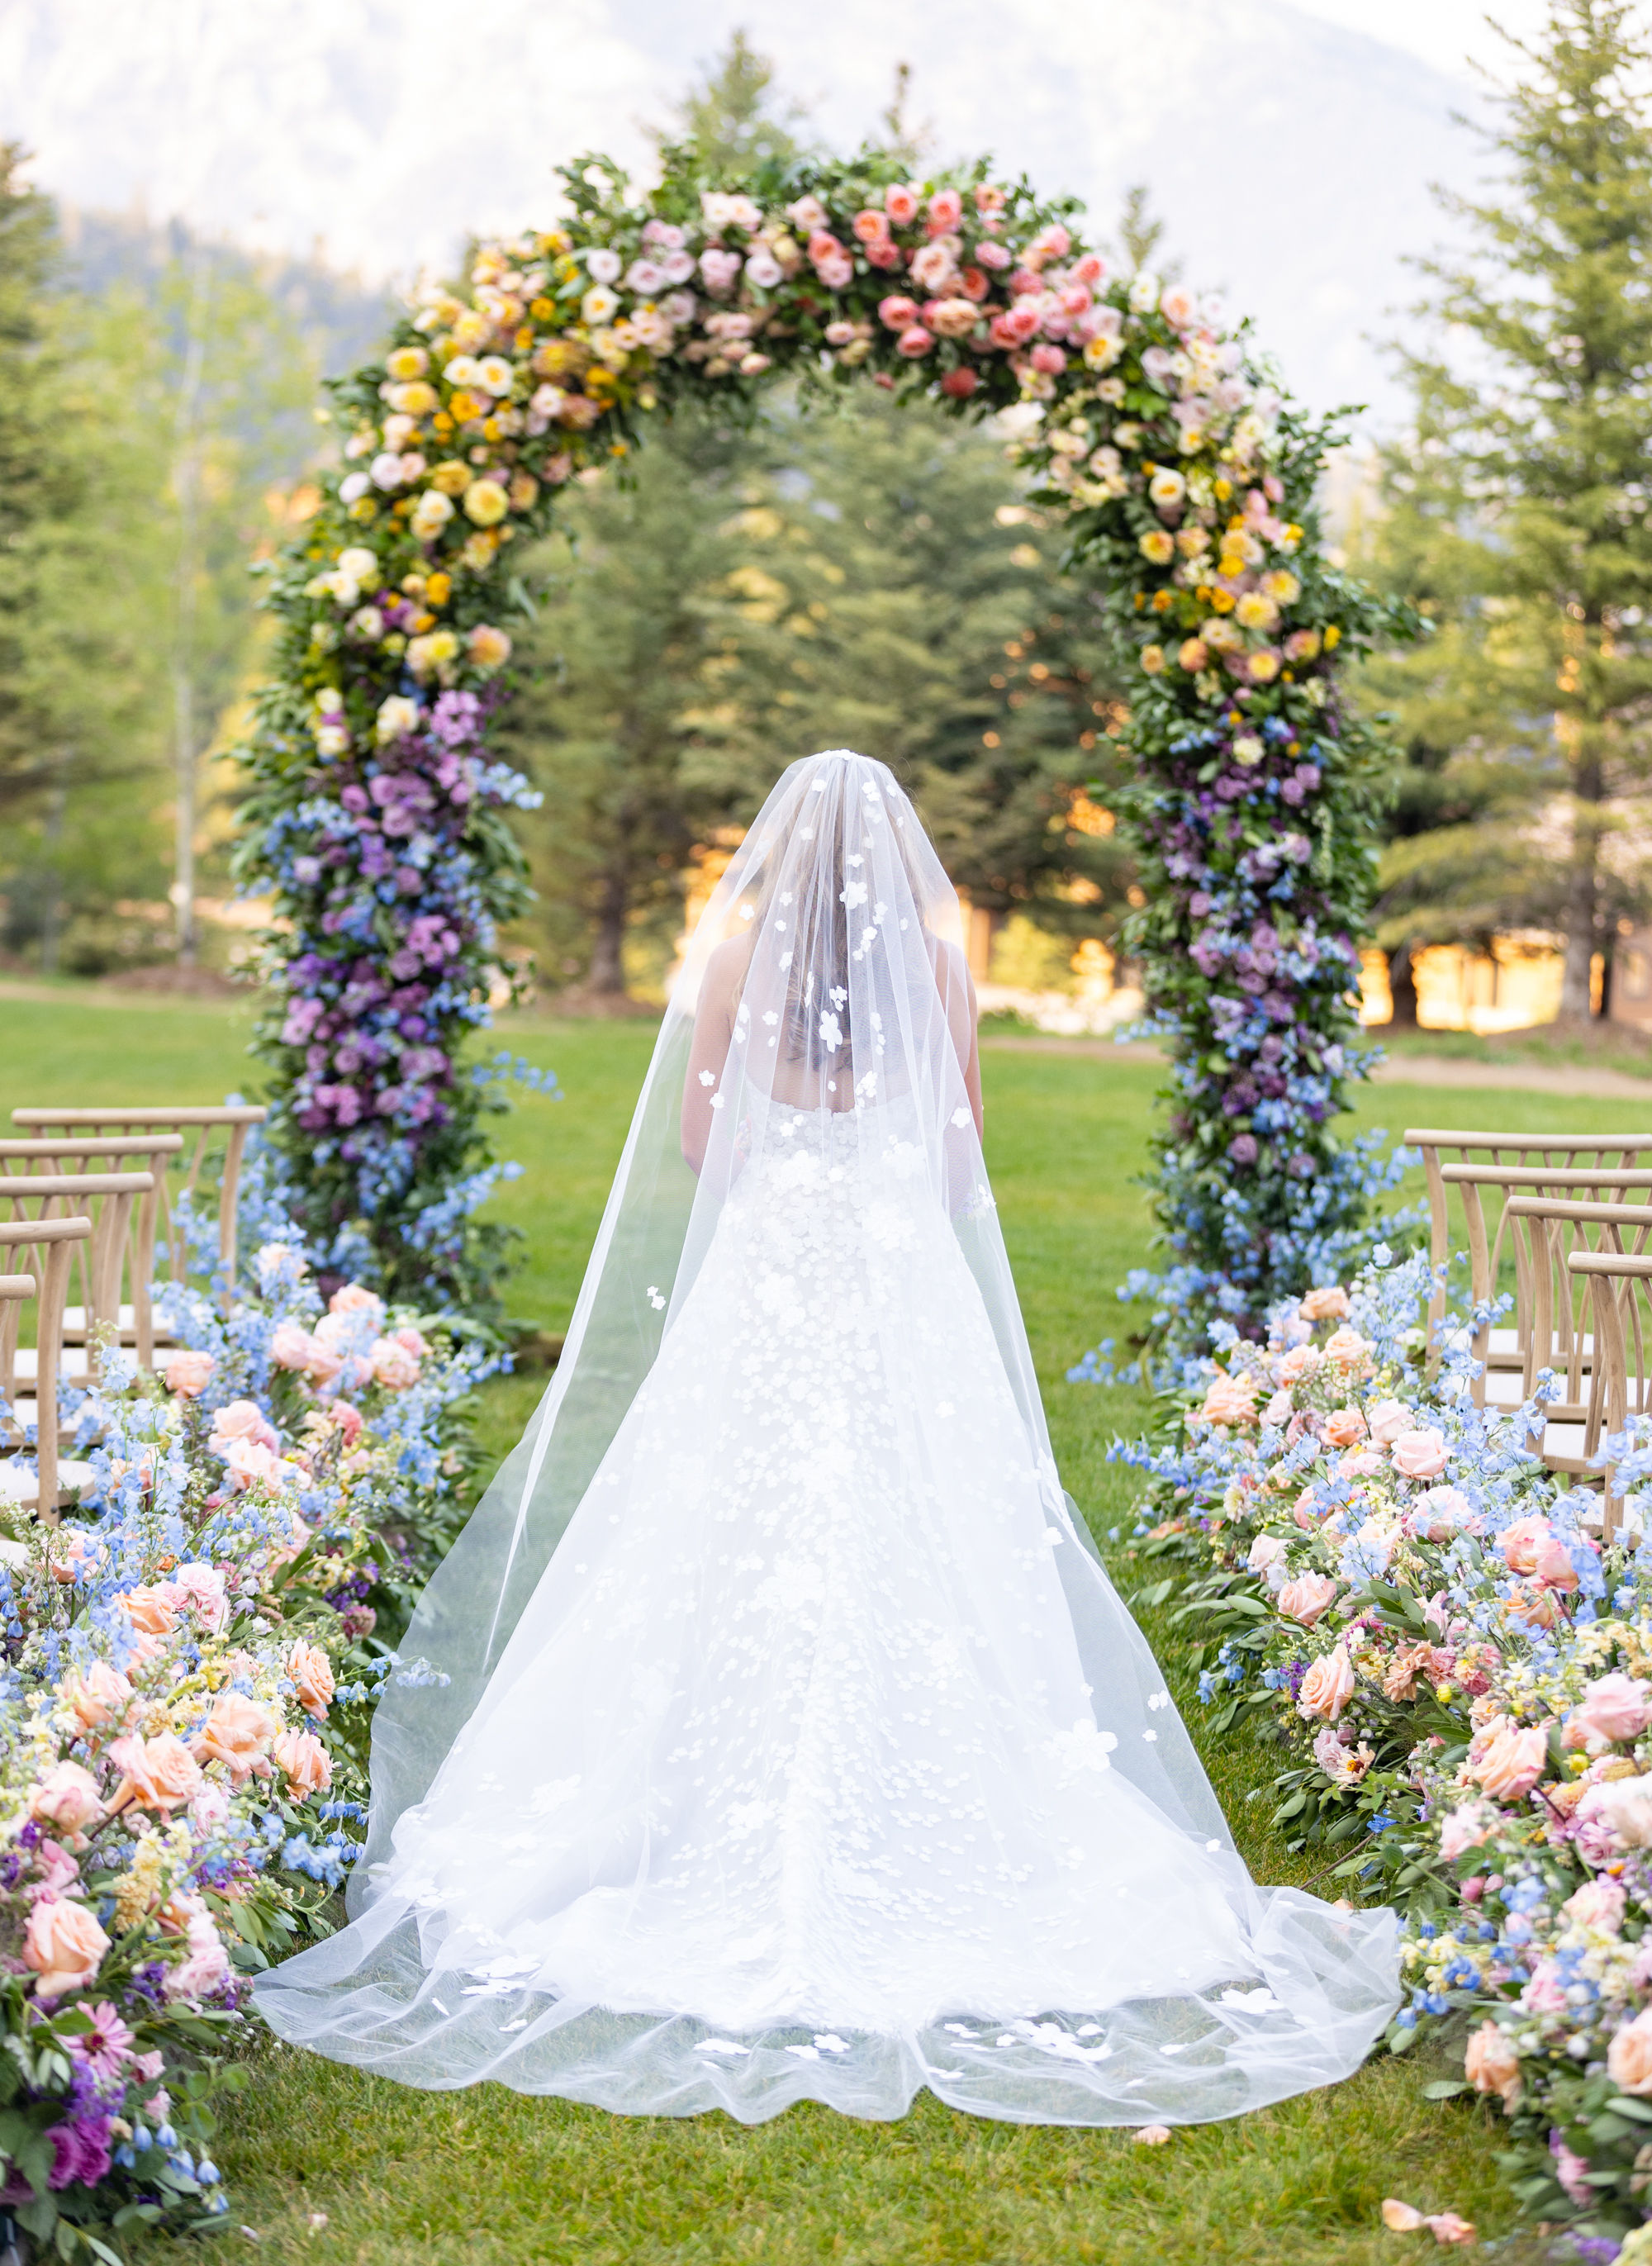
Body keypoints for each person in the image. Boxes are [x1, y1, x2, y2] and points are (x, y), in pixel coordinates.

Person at [254, 749, 1397, 2126]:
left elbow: (697, 1138)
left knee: (716, 1512)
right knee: (927, 1511)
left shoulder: (736, 963)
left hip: (775, 1265)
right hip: (893, 1259)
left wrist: (789, 1176)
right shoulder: (935, 957)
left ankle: (683, 1802)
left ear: (779, 856)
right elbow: (961, 1144)